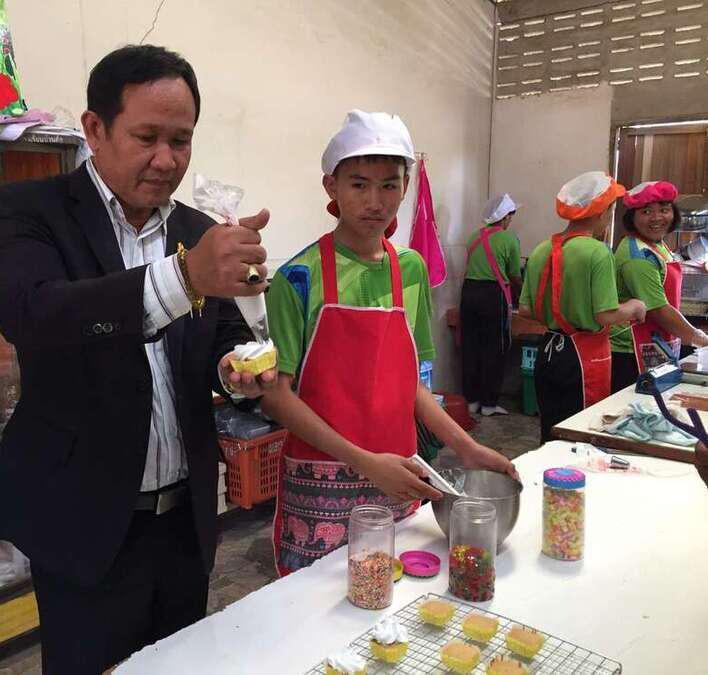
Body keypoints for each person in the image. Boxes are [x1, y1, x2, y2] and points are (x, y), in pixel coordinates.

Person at [0, 45, 276, 673]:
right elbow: (34, 314)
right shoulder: (28, 210)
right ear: (95, 129)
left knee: (178, 665)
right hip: (84, 520)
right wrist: (184, 278)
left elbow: (218, 336)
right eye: (146, 137)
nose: (166, 160)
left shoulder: (195, 229)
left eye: (181, 141)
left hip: (184, 521)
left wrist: (235, 370)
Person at [261, 110, 517, 576]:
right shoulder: (297, 277)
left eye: (389, 185)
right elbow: (277, 397)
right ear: (331, 187)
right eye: (359, 185)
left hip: (398, 474)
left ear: (405, 187)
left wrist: (466, 447)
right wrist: (365, 463)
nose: (375, 201)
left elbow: (411, 384)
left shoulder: (411, 269)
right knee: (316, 605)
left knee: (394, 595)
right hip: (320, 478)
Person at [519, 171, 646, 445]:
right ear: (602, 212)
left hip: (548, 352)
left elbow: (526, 310)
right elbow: (605, 314)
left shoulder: (541, 250)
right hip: (583, 357)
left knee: (551, 433)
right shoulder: (597, 252)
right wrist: (634, 306)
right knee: (581, 434)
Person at [610, 181, 708, 391]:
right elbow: (659, 310)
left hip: (658, 344)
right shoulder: (637, 256)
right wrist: (700, 338)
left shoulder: (657, 245)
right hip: (631, 351)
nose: (657, 218)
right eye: (646, 212)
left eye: (664, 210)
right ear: (632, 217)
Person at [460, 194, 522, 416]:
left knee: (470, 347)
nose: (510, 221)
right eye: (510, 217)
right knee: (494, 349)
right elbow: (514, 275)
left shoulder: (472, 237)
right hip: (492, 296)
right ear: (504, 217)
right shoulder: (509, 239)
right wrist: (523, 294)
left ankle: (471, 401)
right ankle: (488, 404)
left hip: (469, 293)